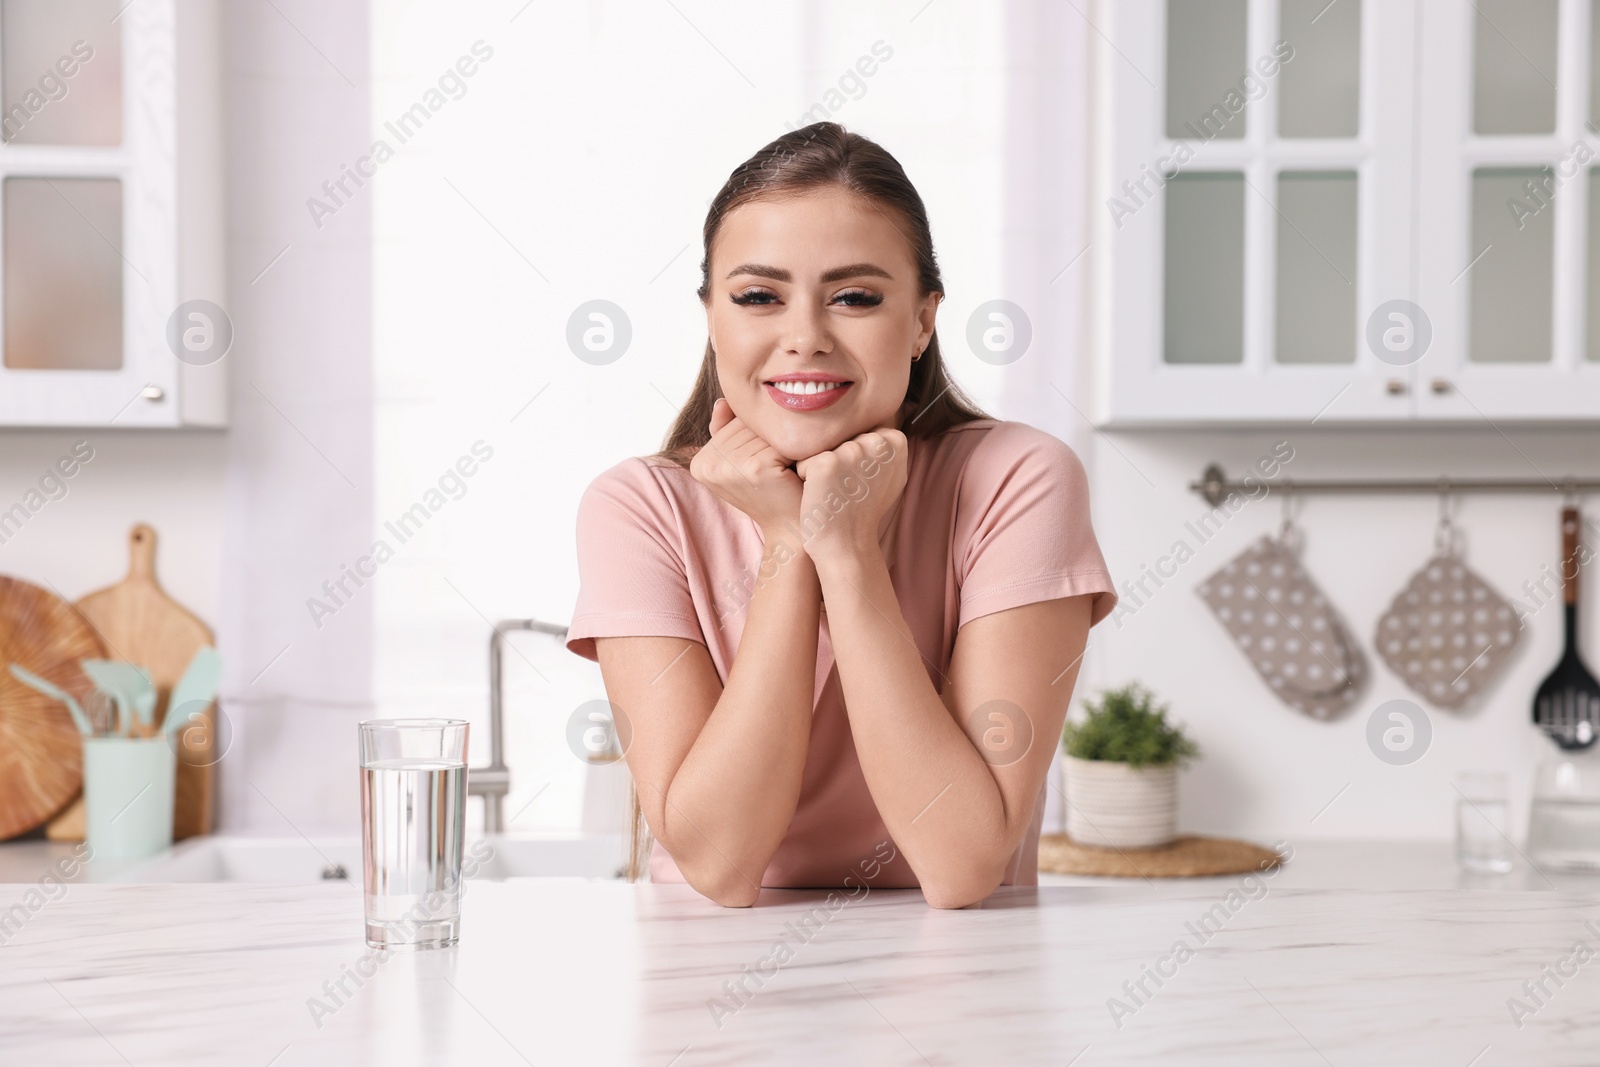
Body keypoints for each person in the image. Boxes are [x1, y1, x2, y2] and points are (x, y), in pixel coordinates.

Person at [566, 122, 1117, 908]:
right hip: (713, 981)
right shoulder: (639, 508)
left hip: (962, 986)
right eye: (758, 296)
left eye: (855, 297)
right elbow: (721, 865)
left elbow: (962, 864)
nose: (804, 339)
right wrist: (789, 542)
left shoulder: (1017, 481)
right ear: (711, 316)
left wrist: (848, 552)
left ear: (924, 319)